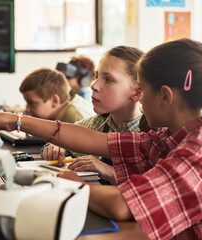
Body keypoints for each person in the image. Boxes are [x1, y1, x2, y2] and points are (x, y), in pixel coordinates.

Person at [0, 38, 202, 239]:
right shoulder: (169, 137)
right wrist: (12, 120)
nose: (140, 97)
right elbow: (91, 139)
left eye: (143, 90)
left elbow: (122, 207)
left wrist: (74, 185)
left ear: (166, 97)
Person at [42, 46, 145, 185]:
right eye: (96, 76)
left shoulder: (151, 134)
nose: (94, 85)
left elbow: (150, 188)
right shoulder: (98, 123)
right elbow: (57, 140)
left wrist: (108, 170)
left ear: (136, 93)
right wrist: (58, 148)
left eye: (108, 79)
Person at [19, 67, 94, 123]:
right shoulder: (60, 112)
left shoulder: (76, 117)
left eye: (31, 103)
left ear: (55, 101)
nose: (27, 109)